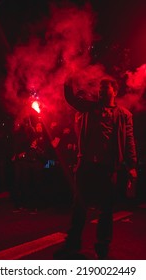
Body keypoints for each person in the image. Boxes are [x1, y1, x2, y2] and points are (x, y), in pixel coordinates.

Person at [54, 77, 137, 259]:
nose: (101, 91)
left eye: (105, 88)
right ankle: (72, 244)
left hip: (107, 168)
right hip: (86, 166)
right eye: (100, 89)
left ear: (114, 91)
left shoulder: (124, 115)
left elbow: (129, 141)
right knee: (79, 207)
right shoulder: (90, 107)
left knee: (106, 210)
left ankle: (103, 249)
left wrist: (132, 166)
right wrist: (68, 80)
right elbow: (72, 99)